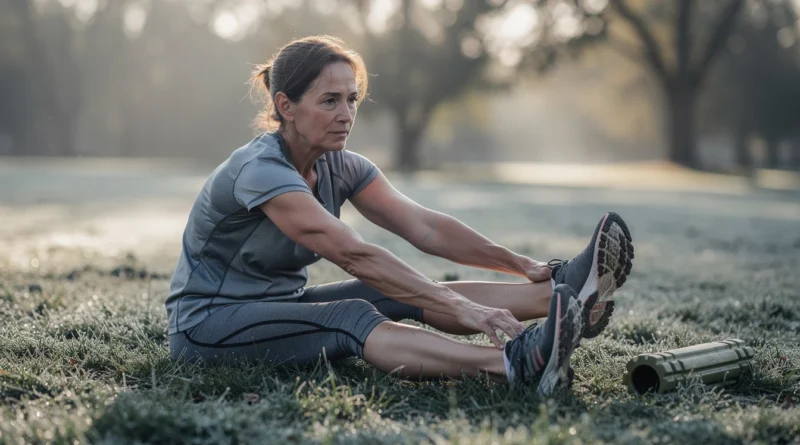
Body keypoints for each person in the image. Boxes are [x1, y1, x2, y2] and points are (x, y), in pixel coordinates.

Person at [166, 35, 634, 396]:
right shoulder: (259, 171)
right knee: (351, 313)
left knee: (388, 289)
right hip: (208, 326)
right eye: (329, 100)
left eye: (351, 99)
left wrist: (522, 265)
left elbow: (425, 227)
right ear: (285, 106)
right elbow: (353, 253)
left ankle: (562, 292)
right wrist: (461, 307)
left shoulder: (340, 165)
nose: (346, 113)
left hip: (276, 309)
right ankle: (513, 365)